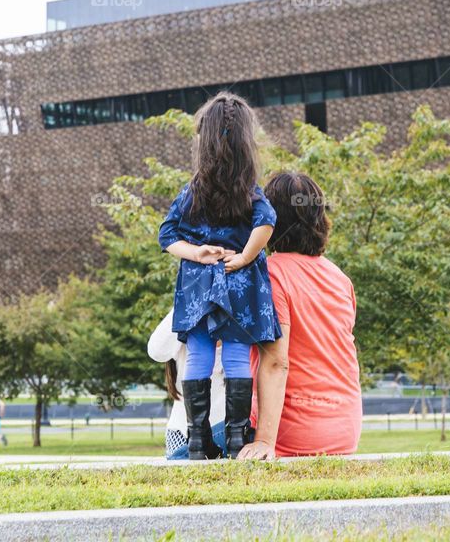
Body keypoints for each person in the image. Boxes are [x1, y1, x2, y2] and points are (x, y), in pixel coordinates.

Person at [157, 92, 281, 460]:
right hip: (238, 282)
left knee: (198, 355)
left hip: (198, 284)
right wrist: (245, 256)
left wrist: (196, 253)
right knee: (237, 357)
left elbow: (167, 235)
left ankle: (197, 440)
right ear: (247, 141)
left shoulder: (192, 190)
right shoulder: (249, 191)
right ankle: (237, 438)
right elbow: (268, 222)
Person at [239, 172, 363, 460]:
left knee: (184, 447)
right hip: (345, 428)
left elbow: (276, 361)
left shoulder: (270, 274)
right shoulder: (340, 278)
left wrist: (265, 442)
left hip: (294, 433)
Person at [147, 308, 227, 459]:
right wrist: (189, 299)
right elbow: (156, 351)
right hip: (182, 432)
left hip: (225, 433)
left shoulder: (237, 329)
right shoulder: (189, 324)